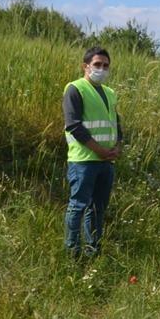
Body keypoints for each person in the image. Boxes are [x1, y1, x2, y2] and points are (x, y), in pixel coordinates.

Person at [62, 46, 124, 257]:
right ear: (85, 66)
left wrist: (117, 147)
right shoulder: (75, 89)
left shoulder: (110, 92)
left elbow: (116, 122)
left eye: (105, 65)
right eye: (97, 64)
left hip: (106, 161)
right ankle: (73, 251)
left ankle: (93, 249)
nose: (102, 69)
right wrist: (100, 151)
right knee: (78, 206)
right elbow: (74, 125)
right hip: (84, 160)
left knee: (98, 208)